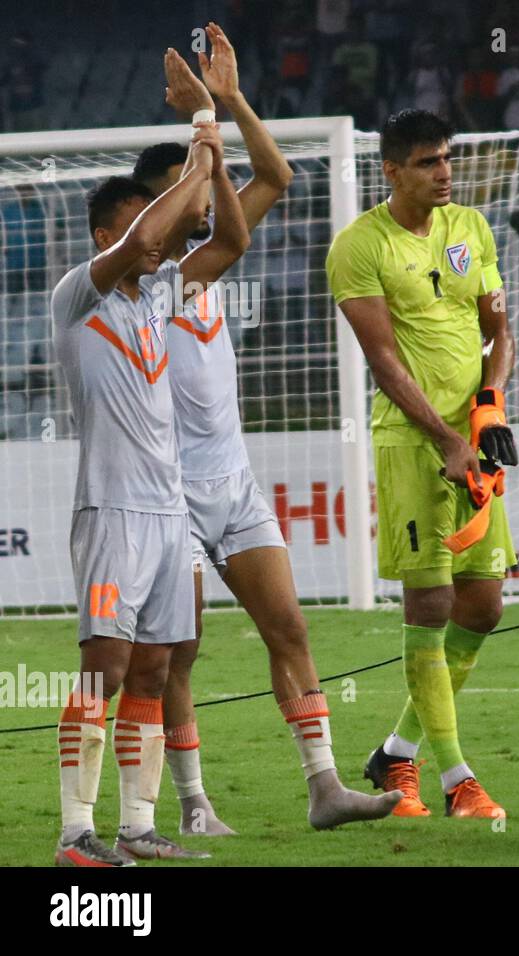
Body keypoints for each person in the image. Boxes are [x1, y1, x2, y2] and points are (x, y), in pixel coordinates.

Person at [135, 25, 400, 837]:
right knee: (180, 649)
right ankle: (191, 802)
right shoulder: (152, 279)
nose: (212, 196)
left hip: (232, 478)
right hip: (166, 487)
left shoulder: (211, 256)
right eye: (196, 185)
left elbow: (277, 174)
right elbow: (239, 211)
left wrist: (234, 101)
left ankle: (324, 787)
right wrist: (201, 128)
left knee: (287, 625)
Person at [49, 118, 232, 866]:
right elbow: (150, 237)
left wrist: (210, 144)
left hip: (168, 516)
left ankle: (138, 826)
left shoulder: (158, 297)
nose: (156, 244)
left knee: (155, 669)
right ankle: (73, 833)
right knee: (107, 667)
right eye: (136, 230)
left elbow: (225, 241)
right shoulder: (77, 298)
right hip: (112, 513)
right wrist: (197, 142)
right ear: (104, 238)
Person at [326, 110, 518, 819]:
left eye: (448, 158)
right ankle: (455, 779)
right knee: (432, 605)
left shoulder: (470, 229)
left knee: (485, 607)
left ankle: (394, 755)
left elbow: (500, 331)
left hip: (473, 436)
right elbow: (383, 361)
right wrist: (443, 440)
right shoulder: (358, 247)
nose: (445, 172)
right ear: (392, 171)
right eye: (430, 162)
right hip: (414, 446)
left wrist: (490, 407)